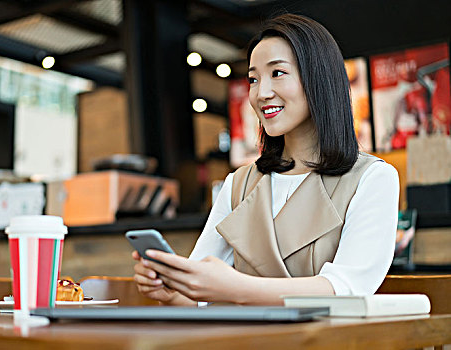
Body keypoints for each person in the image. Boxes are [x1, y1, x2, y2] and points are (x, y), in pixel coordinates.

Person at [132, 13, 399, 306]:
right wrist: (171, 292)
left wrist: (234, 288)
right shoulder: (238, 184)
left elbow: (348, 289)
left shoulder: (372, 178)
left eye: (277, 73)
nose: (262, 93)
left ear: (318, 78)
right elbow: (200, 296)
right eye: (253, 79)